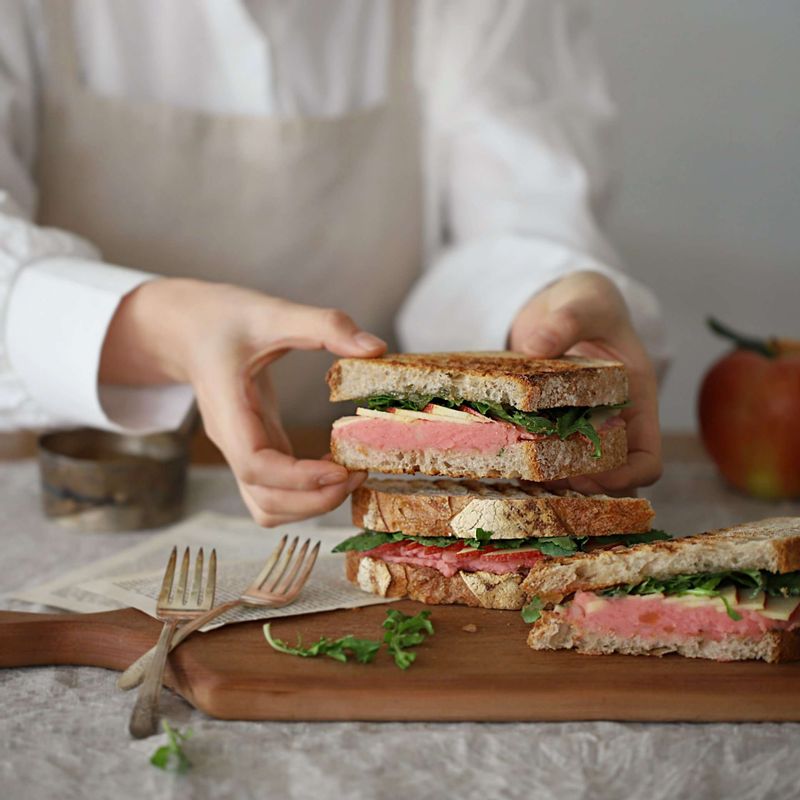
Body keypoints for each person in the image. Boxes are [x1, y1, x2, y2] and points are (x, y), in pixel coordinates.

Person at [0, 0, 668, 526]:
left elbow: (513, 220)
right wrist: (163, 332)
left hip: (365, 494)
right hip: (66, 498)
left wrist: (541, 303)